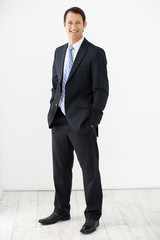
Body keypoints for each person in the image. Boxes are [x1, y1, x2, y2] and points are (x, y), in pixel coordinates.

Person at [38, 7, 109, 234]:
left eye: (78, 22)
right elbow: (56, 84)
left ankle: (93, 216)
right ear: (64, 24)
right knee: (60, 169)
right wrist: (53, 108)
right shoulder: (59, 52)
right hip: (59, 120)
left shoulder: (95, 53)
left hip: (83, 122)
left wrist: (93, 120)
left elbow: (101, 90)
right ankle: (61, 209)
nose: (73, 27)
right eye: (70, 22)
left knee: (90, 170)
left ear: (84, 25)